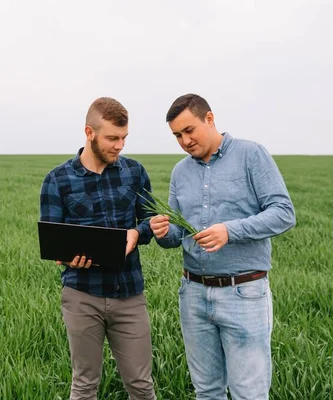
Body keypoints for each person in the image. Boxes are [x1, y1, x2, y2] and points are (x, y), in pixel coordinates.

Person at [149, 93, 296, 399]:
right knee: (207, 391)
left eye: (189, 130)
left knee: (249, 393)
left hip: (244, 293)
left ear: (210, 119)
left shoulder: (250, 154)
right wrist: (164, 232)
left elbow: (283, 213)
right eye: (177, 135)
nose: (184, 141)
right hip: (193, 294)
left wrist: (230, 231)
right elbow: (178, 234)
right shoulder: (180, 172)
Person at [39, 97, 156, 400]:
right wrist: (66, 258)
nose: (119, 146)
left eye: (124, 138)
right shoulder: (57, 180)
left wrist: (138, 231)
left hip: (129, 293)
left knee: (142, 386)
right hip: (82, 295)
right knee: (84, 385)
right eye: (112, 138)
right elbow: (53, 239)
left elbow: (150, 220)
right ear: (89, 133)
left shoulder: (135, 172)